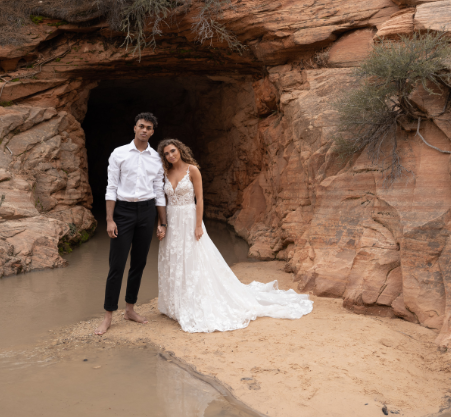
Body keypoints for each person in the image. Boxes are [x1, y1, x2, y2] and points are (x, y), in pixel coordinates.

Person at [156, 139, 313, 333]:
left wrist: (198, 225)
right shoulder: (165, 173)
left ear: (180, 150)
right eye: (166, 154)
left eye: (173, 151)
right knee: (174, 259)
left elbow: (200, 198)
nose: (171, 155)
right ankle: (175, 303)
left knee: (193, 258)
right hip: (172, 220)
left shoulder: (192, 170)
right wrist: (160, 223)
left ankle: (193, 300)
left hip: (188, 219)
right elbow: (161, 200)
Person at [94, 112, 167, 336]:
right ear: (134, 128)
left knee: (139, 263)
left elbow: (158, 191)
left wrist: (162, 222)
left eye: (149, 128)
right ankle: (108, 316)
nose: (144, 130)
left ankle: (130, 309)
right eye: (141, 126)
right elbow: (111, 188)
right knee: (116, 265)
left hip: (146, 212)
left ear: (153, 132)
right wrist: (109, 219)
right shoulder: (119, 153)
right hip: (123, 212)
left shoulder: (156, 158)